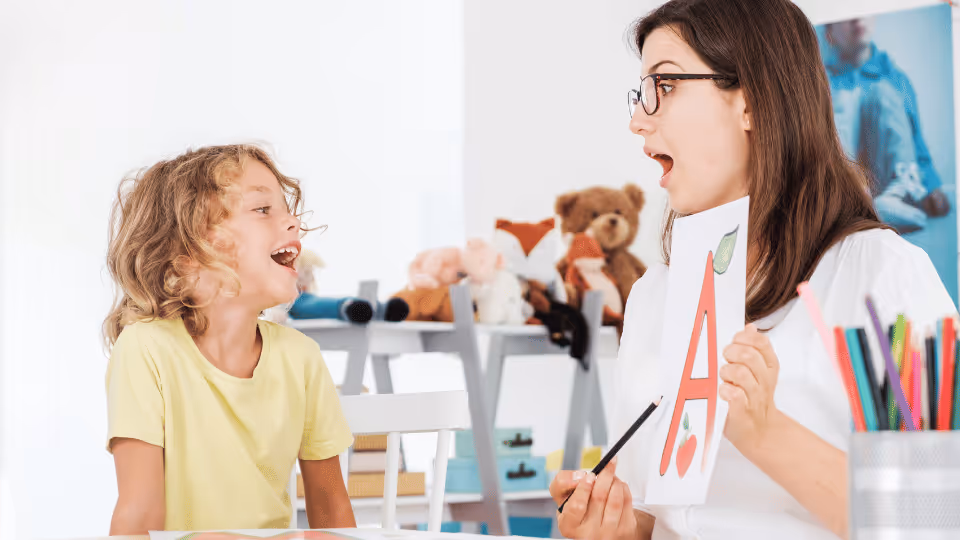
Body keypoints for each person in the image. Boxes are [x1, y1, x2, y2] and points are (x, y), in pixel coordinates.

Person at [548, 1, 957, 539]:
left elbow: (934, 516)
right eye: (642, 90)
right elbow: (662, 516)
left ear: (754, 101)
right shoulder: (654, 294)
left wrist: (765, 434)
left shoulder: (883, 280)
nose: (637, 119)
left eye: (665, 85)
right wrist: (615, 529)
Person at [103, 145, 356, 533]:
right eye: (262, 209)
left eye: (286, 209)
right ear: (186, 252)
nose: (292, 222)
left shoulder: (300, 357)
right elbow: (139, 514)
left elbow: (333, 512)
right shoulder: (146, 350)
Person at [824, 17, 951, 234]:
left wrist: (931, 184)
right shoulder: (824, 81)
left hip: (886, 183)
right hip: (846, 185)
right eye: (845, 16)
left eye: (862, 11)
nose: (856, 19)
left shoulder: (894, 78)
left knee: (883, 93)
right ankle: (852, 205)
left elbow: (914, 137)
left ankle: (897, 196)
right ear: (829, 34)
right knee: (837, 102)